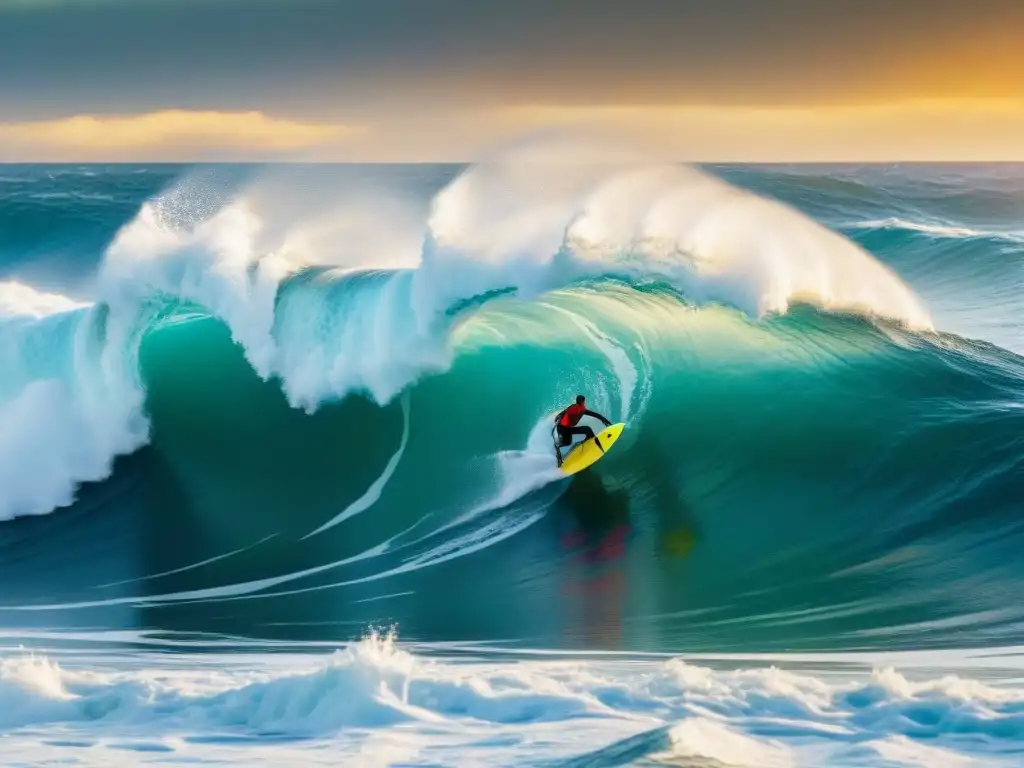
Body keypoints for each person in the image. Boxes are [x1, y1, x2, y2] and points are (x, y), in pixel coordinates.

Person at [553, 395, 612, 467]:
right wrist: (559, 417)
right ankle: (557, 448)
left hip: (567, 428)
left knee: (588, 430)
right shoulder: (573, 409)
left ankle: (589, 444)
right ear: (583, 402)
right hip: (562, 428)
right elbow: (565, 412)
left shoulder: (580, 409)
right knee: (567, 442)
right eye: (584, 402)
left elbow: (594, 414)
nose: (584, 403)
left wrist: (604, 421)